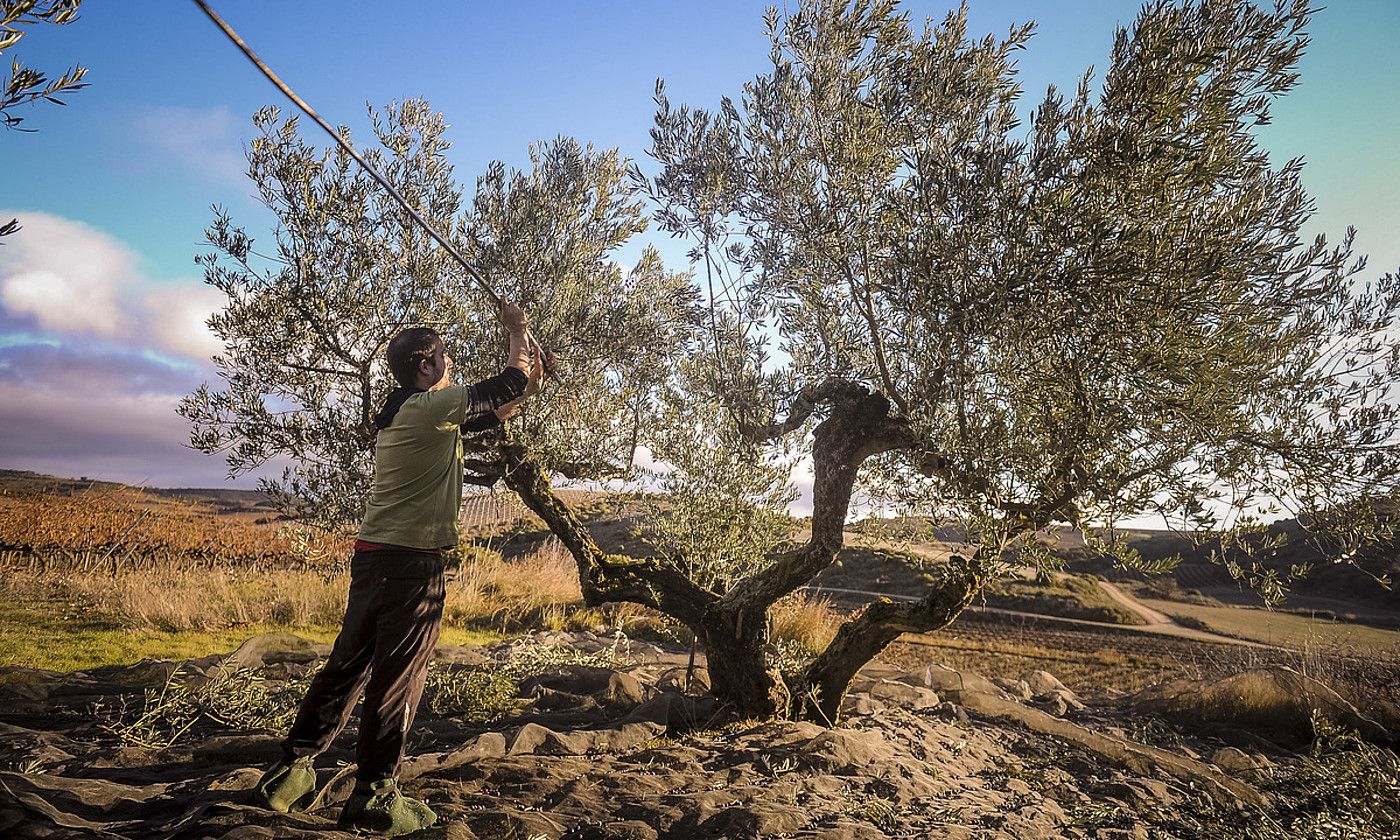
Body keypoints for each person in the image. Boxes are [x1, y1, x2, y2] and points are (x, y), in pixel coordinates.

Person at [254, 301, 541, 835]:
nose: (452, 366)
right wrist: (518, 332)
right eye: (446, 360)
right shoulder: (431, 407)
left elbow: (496, 407)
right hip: (412, 566)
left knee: (348, 665)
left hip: (373, 559)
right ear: (427, 366)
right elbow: (505, 382)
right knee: (397, 679)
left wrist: (525, 389)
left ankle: (290, 773)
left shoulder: (405, 413)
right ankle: (376, 793)